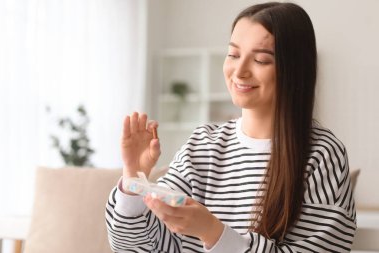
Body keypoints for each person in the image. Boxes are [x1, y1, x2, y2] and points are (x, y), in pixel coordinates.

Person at [106, 2, 357, 252]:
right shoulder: (202, 145)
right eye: (234, 54)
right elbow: (136, 248)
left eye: (260, 60)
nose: (239, 71)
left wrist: (213, 232)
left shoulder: (323, 154)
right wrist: (134, 180)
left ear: (293, 69)